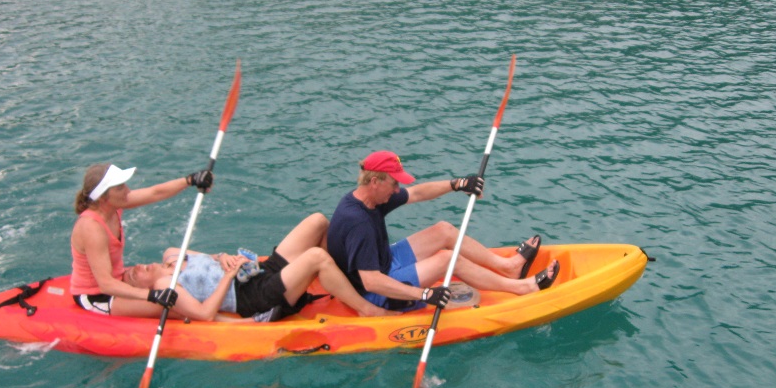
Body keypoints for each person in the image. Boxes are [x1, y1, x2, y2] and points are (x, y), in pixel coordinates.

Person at [327, 150, 560, 311]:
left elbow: (417, 193)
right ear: (375, 182)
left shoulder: (371, 198)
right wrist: (424, 295)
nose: (398, 189)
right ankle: (521, 287)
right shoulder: (358, 222)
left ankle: (508, 268)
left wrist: (457, 184)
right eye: (394, 183)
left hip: (385, 261)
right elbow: (371, 282)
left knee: (444, 230)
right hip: (378, 292)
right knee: (448, 260)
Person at [110, 213, 392, 321]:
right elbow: (205, 314)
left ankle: (344, 279)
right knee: (316, 256)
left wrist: (224, 258)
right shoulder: (165, 286)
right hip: (253, 297)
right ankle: (367, 309)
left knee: (317, 221)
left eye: (135, 267)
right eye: (134, 276)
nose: (139, 267)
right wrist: (228, 276)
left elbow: (212, 256)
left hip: (257, 272)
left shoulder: (172, 254)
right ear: (144, 287)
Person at [70, 163, 213, 314]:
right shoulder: (92, 228)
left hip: (119, 280)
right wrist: (151, 295)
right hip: (98, 295)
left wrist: (190, 180)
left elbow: (155, 193)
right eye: (120, 188)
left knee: (176, 280)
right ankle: (220, 320)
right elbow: (106, 285)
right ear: (102, 197)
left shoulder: (112, 206)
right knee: (176, 305)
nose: (127, 191)